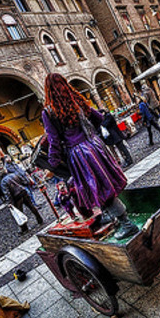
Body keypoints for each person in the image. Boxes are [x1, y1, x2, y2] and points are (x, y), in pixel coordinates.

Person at [42, 73, 139, 240]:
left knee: (100, 189)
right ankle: (113, 215)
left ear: (48, 91)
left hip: (80, 155)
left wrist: (51, 166)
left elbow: (54, 141)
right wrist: (90, 135)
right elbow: (99, 118)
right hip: (95, 146)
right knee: (103, 186)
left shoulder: (49, 112)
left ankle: (127, 225)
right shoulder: (77, 100)